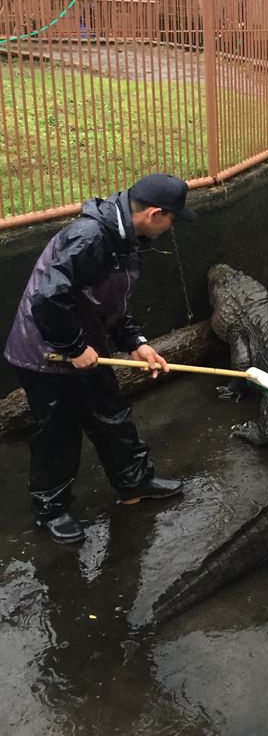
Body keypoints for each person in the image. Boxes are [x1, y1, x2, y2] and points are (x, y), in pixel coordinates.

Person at [4, 173, 197, 544]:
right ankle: (51, 509)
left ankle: (133, 483)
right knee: (58, 431)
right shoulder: (90, 238)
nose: (172, 227)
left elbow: (109, 301)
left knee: (110, 410)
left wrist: (136, 342)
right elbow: (46, 299)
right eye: (172, 219)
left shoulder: (129, 237)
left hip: (85, 342)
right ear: (155, 214)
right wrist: (74, 348)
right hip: (45, 350)